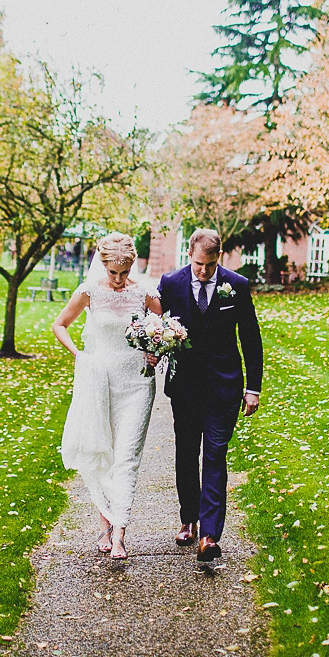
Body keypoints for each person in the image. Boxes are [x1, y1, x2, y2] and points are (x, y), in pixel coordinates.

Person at [52, 233, 162, 560]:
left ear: (132, 266)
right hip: (100, 380)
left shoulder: (144, 294)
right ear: (103, 265)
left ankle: (120, 534)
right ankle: (105, 523)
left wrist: (156, 352)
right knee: (105, 453)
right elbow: (60, 325)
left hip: (137, 384)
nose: (117, 279)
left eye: (123, 273)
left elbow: (163, 328)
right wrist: (80, 356)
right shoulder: (89, 292)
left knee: (127, 458)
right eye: (112, 272)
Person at [158, 228, 263, 563]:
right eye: (199, 264)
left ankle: (209, 535)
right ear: (190, 254)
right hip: (186, 387)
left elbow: (250, 337)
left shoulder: (237, 285)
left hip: (224, 386)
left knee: (216, 455)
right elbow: (158, 327)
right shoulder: (171, 283)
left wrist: (253, 387)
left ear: (220, 257)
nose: (204, 271)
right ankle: (188, 519)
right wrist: (153, 350)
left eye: (210, 264)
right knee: (187, 454)